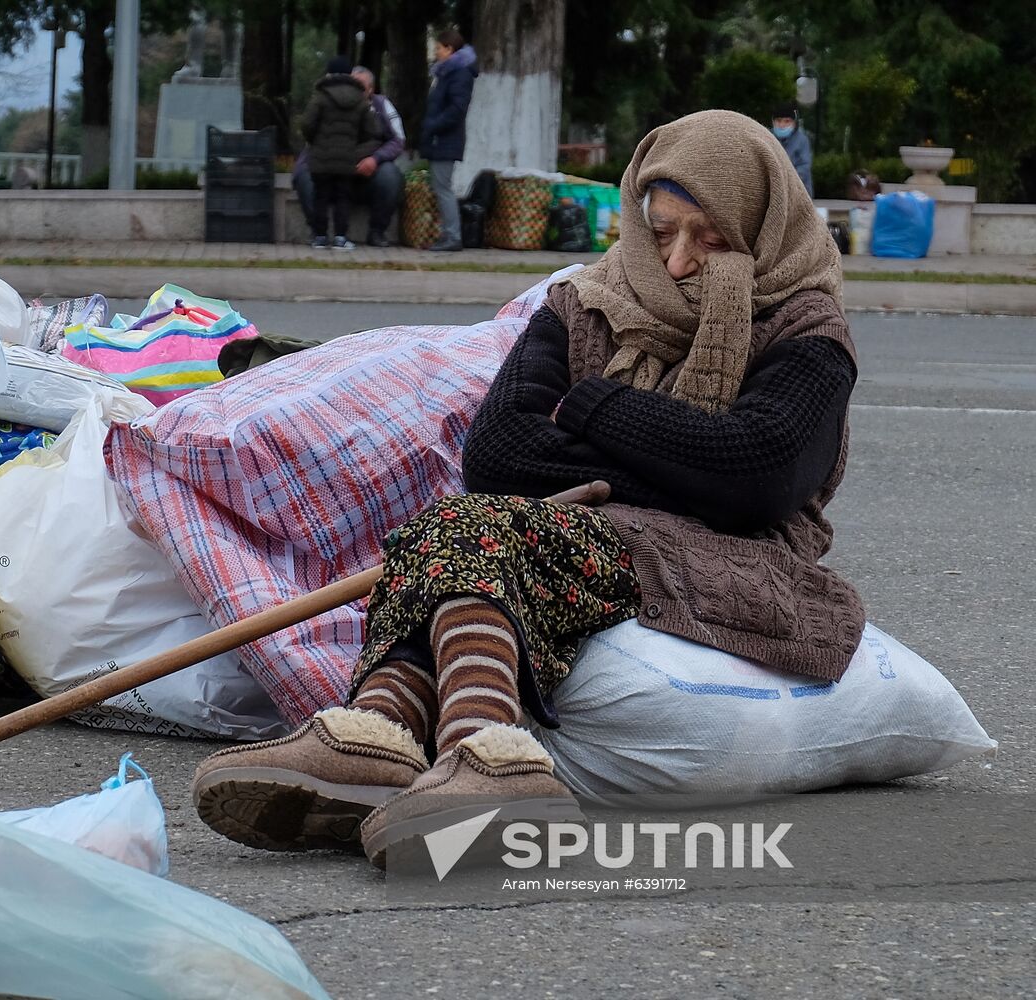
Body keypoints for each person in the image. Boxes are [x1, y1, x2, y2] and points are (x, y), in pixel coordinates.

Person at [192, 110, 862, 866]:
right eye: (662, 230)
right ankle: (387, 740)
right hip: (585, 538)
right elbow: (501, 453)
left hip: (737, 562)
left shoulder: (805, 324)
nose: (675, 262)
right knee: (467, 519)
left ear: (757, 223)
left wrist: (592, 406)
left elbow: (755, 477)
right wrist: (678, 460)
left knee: (478, 529)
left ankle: (470, 750)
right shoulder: (585, 303)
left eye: (707, 238)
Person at [292, 67, 406, 248]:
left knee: (390, 176)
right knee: (305, 176)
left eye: (358, 86)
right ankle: (321, 233)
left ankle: (376, 232)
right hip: (330, 166)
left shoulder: (381, 105)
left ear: (370, 90)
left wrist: (374, 158)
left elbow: (397, 140)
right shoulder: (328, 101)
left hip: (366, 169)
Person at [301, 55, 382, 250]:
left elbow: (307, 124)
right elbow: (372, 132)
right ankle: (340, 238)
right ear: (350, 74)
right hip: (347, 159)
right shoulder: (360, 99)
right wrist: (357, 150)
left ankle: (320, 236)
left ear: (328, 74)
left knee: (321, 196)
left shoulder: (320, 96)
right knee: (342, 198)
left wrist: (315, 142)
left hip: (321, 157)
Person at [420, 29, 478, 251]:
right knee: (440, 186)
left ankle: (453, 237)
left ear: (449, 49)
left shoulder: (458, 74)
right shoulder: (446, 73)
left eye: (439, 48)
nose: (436, 52)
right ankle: (448, 234)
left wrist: (432, 126)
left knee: (443, 187)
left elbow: (456, 109)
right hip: (440, 139)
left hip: (445, 140)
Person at [772, 105, 814, 197]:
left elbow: (804, 166)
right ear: (773, 122)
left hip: (799, 193)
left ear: (794, 123)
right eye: (778, 121)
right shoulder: (768, 137)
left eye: (787, 121)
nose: (782, 125)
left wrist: (785, 180)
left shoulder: (802, 140)